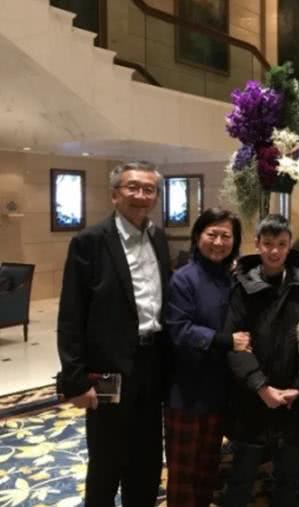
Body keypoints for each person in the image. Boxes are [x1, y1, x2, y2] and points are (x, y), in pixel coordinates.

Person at [56, 161, 170, 507]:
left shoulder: (158, 237)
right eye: (132, 187)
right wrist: (75, 380)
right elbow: (71, 314)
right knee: (107, 457)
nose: (141, 195)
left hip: (152, 363)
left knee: (147, 455)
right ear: (114, 195)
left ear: (156, 197)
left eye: (148, 189)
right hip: (109, 368)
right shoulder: (90, 241)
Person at [223, 214, 299, 507]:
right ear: (257, 244)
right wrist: (261, 387)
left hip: (292, 396)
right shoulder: (241, 286)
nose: (274, 251)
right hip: (252, 394)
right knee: (241, 473)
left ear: (290, 245)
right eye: (267, 244)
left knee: (289, 475)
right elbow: (235, 343)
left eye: (281, 244)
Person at [164, 208, 247, 507]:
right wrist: (225, 341)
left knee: (208, 467)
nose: (218, 243)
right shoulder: (183, 279)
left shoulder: (232, 278)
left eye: (226, 236)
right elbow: (179, 329)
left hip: (219, 388)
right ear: (198, 236)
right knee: (184, 472)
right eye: (212, 234)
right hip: (187, 389)